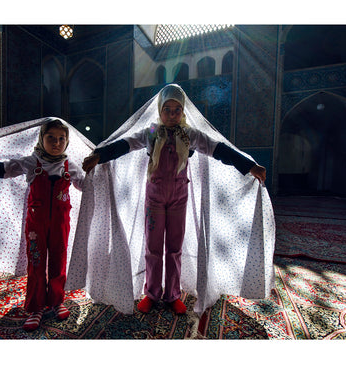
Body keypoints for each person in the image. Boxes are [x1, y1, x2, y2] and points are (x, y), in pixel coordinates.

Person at [81, 84, 267, 315]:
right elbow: (126, 145)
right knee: (153, 247)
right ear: (159, 111)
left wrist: (249, 167)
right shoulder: (151, 132)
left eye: (177, 110)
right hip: (155, 200)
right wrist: (99, 156)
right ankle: (151, 293)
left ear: (183, 112)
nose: (171, 114)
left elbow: (219, 150)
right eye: (167, 109)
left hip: (179, 199)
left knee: (174, 248)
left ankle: (172, 295)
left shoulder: (189, 135)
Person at [0, 118, 85, 331]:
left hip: (61, 225)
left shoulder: (69, 166)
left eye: (62, 139)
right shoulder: (30, 162)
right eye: (50, 138)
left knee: (58, 262)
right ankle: (35, 308)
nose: (56, 143)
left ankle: (56, 301)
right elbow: (1, 169)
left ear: (67, 142)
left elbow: (87, 186)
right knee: (36, 264)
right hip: (36, 226)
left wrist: (103, 173)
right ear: (41, 139)